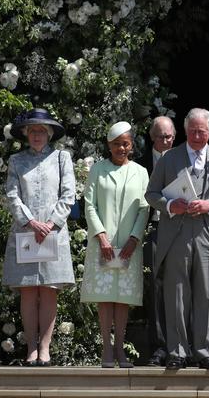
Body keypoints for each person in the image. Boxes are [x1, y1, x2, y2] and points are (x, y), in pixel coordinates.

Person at [145, 108, 209, 370]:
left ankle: (204, 350)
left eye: (202, 131)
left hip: (207, 232)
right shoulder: (168, 158)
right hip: (176, 232)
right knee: (176, 293)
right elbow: (151, 194)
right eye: (192, 131)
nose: (197, 136)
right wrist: (172, 205)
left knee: (205, 293)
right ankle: (177, 351)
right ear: (185, 131)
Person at [3, 108, 76, 366]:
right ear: (25, 133)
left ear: (49, 134)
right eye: (32, 130)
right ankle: (31, 348)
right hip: (26, 232)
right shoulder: (16, 160)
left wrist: (50, 223)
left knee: (49, 290)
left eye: (41, 131)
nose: (36, 135)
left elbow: (68, 195)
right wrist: (32, 222)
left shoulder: (61, 158)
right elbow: (12, 195)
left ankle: (45, 348)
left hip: (52, 233)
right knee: (27, 291)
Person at [81, 121, 149, 368]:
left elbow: (144, 208)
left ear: (131, 145)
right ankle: (106, 349)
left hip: (130, 244)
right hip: (104, 244)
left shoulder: (141, 172)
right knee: (105, 297)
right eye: (116, 144)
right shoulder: (98, 170)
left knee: (122, 298)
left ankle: (120, 348)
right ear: (109, 146)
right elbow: (89, 204)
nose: (121, 148)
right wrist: (100, 236)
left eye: (126, 143)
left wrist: (134, 238)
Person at [139, 116, 176, 366]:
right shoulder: (140, 164)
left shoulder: (183, 160)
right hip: (151, 229)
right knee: (155, 289)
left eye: (170, 136)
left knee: (182, 287)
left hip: (180, 229)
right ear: (152, 137)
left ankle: (183, 347)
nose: (166, 141)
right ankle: (159, 347)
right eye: (161, 136)